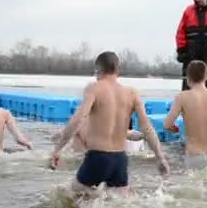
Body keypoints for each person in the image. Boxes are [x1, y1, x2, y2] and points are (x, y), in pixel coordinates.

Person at [50, 51, 170, 196]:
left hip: (97, 157)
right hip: (120, 161)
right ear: (118, 70)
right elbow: (147, 128)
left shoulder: (94, 88)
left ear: (98, 70)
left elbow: (78, 120)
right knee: (118, 206)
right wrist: (160, 157)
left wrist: (57, 149)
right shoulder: (132, 93)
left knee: (66, 196)